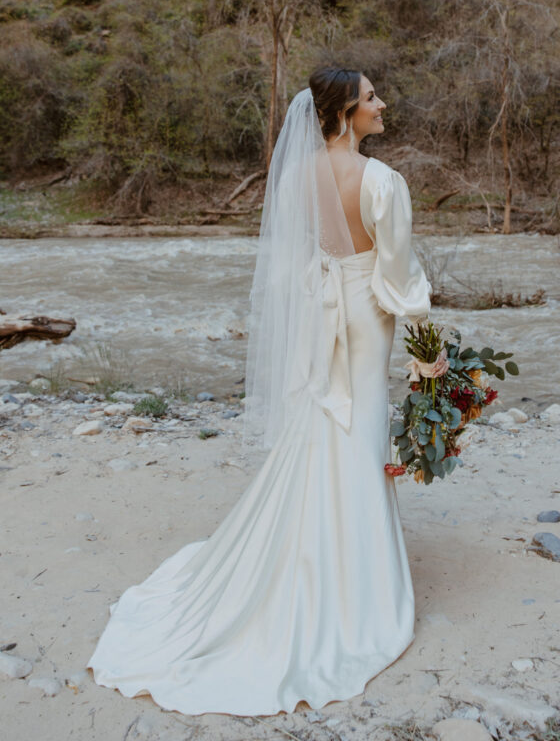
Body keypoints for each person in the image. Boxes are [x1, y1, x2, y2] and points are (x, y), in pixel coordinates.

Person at [86, 66, 433, 717]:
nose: (383, 105)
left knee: (324, 424)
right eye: (371, 98)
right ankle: (354, 587)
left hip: (321, 306)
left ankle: (304, 555)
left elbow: (300, 255)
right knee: (359, 429)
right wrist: (428, 344)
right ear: (343, 114)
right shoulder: (383, 182)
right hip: (366, 313)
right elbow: (398, 272)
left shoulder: (297, 175)